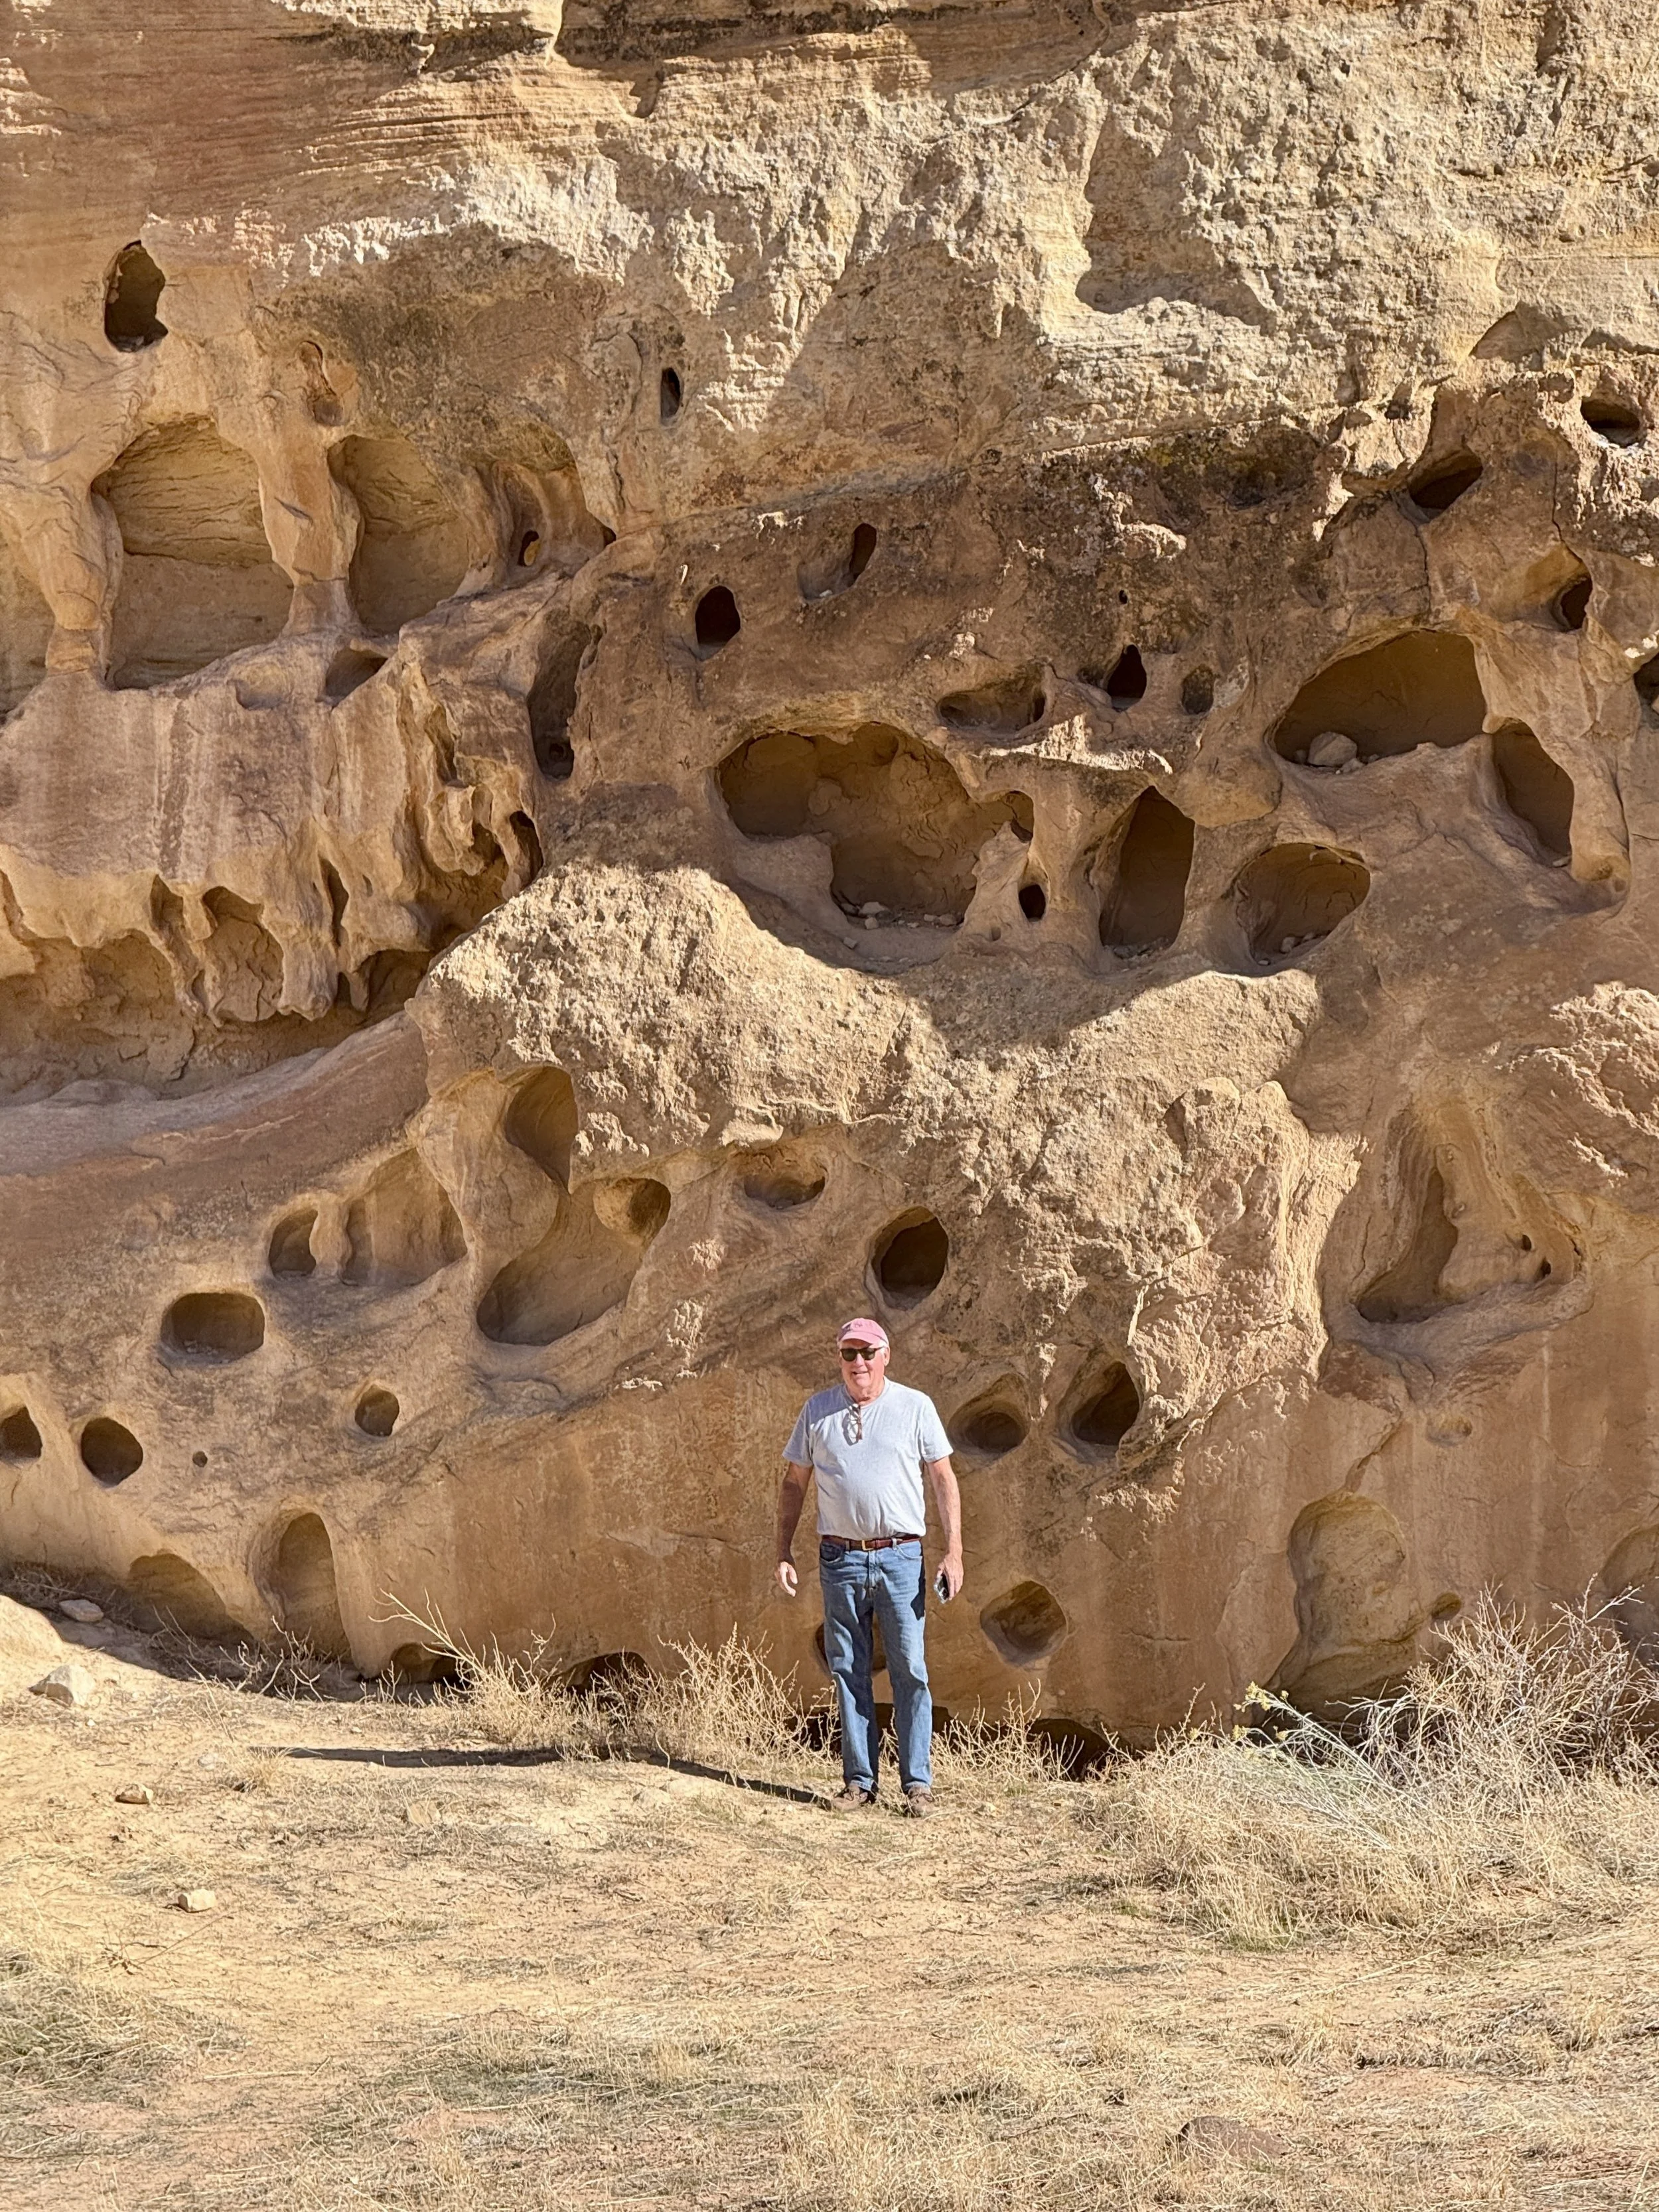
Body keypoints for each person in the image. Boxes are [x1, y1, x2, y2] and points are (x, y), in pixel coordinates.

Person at [776, 1318, 964, 1817]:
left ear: (886, 1355)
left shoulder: (914, 1406)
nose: (857, 1362)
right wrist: (783, 1550)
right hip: (840, 1556)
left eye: (867, 1352)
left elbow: (943, 1478)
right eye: (848, 1353)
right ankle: (859, 1783)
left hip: (901, 1555)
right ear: (838, 1357)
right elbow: (795, 1483)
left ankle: (917, 1784)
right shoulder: (818, 1412)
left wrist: (955, 1551)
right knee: (848, 1671)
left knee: (910, 1669)